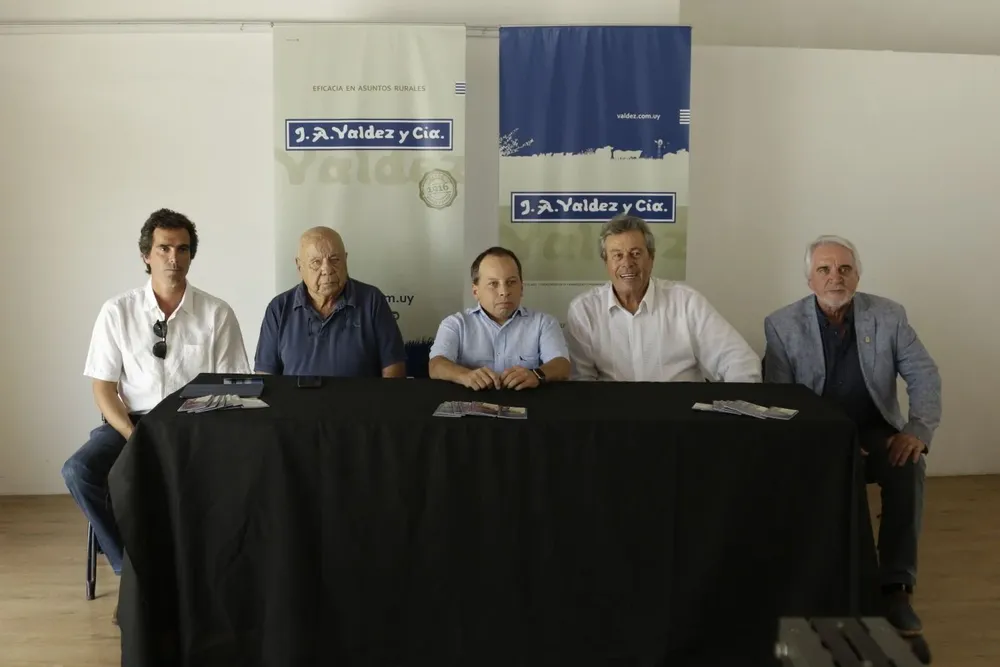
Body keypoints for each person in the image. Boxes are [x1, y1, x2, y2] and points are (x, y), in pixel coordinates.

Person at [62, 208, 250, 622]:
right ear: (147, 254)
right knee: (79, 471)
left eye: (182, 249)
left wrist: (190, 430)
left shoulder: (217, 314)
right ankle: (133, 573)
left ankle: (212, 580)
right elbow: (102, 387)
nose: (173, 258)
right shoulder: (118, 311)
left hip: (194, 423)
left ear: (191, 256)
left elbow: (232, 389)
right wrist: (132, 433)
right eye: (164, 248)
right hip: (132, 424)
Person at [763, 234, 941, 637]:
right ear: (809, 279)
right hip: (818, 437)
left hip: (877, 431)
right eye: (824, 270)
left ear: (857, 276)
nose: (834, 278)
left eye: (844, 269)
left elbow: (924, 375)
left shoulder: (889, 316)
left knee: (909, 466)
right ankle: (841, 586)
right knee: (835, 475)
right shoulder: (781, 325)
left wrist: (917, 430)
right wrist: (832, 440)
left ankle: (896, 587)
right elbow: (782, 398)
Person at [566, 214, 760, 382]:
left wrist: (735, 412)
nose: (627, 263)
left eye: (636, 253)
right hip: (613, 419)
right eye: (617, 255)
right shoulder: (584, 310)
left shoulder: (686, 302)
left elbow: (740, 361)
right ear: (605, 262)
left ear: (651, 258)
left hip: (682, 417)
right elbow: (580, 382)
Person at [254, 226, 406, 377]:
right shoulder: (279, 308)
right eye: (316, 262)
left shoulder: (372, 300)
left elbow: (394, 369)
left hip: (360, 401)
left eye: (335, 260)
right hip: (297, 402)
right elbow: (266, 377)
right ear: (299, 266)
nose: (327, 269)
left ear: (345, 260)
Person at [429, 247, 570, 390]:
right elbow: (436, 365)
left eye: (511, 282)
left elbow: (562, 365)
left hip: (529, 405)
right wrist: (465, 376)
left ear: (522, 288)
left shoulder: (543, 323)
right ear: (475, 291)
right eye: (493, 284)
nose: (504, 292)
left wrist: (536, 374)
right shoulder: (456, 324)